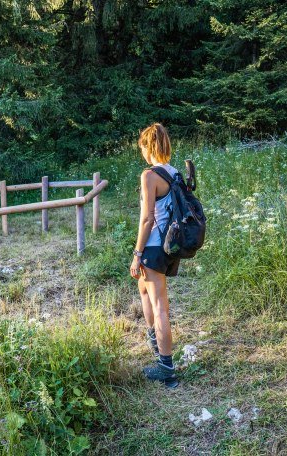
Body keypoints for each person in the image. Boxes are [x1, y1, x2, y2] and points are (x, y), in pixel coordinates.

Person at [130, 122, 180, 388]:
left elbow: (147, 218)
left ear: (148, 147)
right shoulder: (174, 173)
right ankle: (155, 342)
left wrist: (137, 253)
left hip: (153, 246)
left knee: (160, 305)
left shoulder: (149, 175)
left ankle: (166, 367)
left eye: (142, 148)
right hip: (170, 246)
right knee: (144, 289)